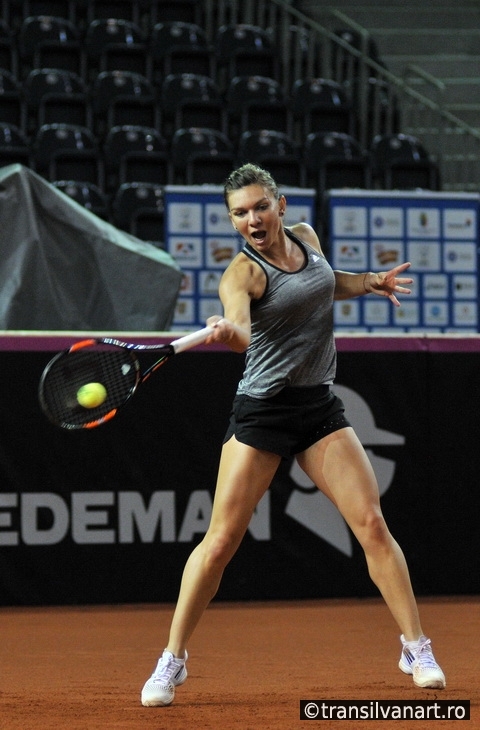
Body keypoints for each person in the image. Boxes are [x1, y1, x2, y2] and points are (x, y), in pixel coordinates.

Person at [141, 163, 445, 707]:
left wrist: (369, 283)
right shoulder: (241, 274)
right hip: (263, 412)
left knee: (372, 523)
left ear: (280, 205)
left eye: (260, 206)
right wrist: (231, 330)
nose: (252, 219)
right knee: (221, 543)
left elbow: (325, 287)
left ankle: (415, 647)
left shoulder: (306, 237)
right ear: (232, 222)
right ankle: (173, 658)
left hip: (318, 407)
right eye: (240, 213)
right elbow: (239, 330)